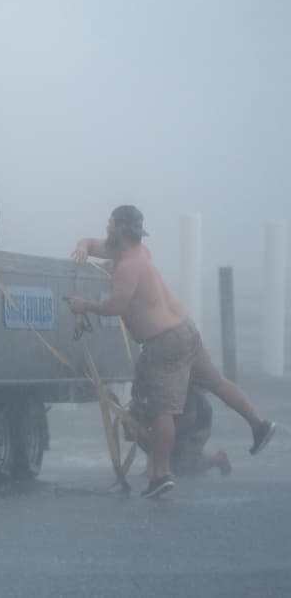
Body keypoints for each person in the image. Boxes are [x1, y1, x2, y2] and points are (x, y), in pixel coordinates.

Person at [67, 205, 276, 498]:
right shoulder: (138, 253)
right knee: (217, 383)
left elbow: (115, 306)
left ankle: (161, 475)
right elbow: (92, 244)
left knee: (162, 409)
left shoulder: (127, 266)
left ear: (121, 229)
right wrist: (82, 247)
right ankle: (259, 425)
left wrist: (83, 305)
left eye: (110, 223)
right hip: (185, 329)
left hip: (164, 342)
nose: (107, 227)